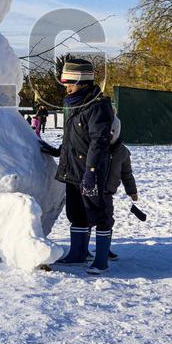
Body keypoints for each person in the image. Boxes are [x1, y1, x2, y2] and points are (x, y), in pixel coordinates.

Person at [39, 57, 116, 274]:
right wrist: (56, 151)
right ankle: (78, 253)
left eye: (70, 84)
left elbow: (98, 142)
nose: (67, 88)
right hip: (72, 169)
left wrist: (91, 172)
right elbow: (73, 138)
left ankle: (101, 259)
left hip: (91, 171)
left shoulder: (98, 106)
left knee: (98, 213)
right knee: (76, 213)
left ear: (82, 81)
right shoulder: (74, 104)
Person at [102, 116, 137, 261]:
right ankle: (84, 248)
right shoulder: (96, 147)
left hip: (108, 192)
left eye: (112, 132)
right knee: (88, 219)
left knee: (106, 220)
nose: (109, 134)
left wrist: (132, 191)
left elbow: (127, 174)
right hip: (92, 190)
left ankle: (104, 248)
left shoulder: (122, 152)